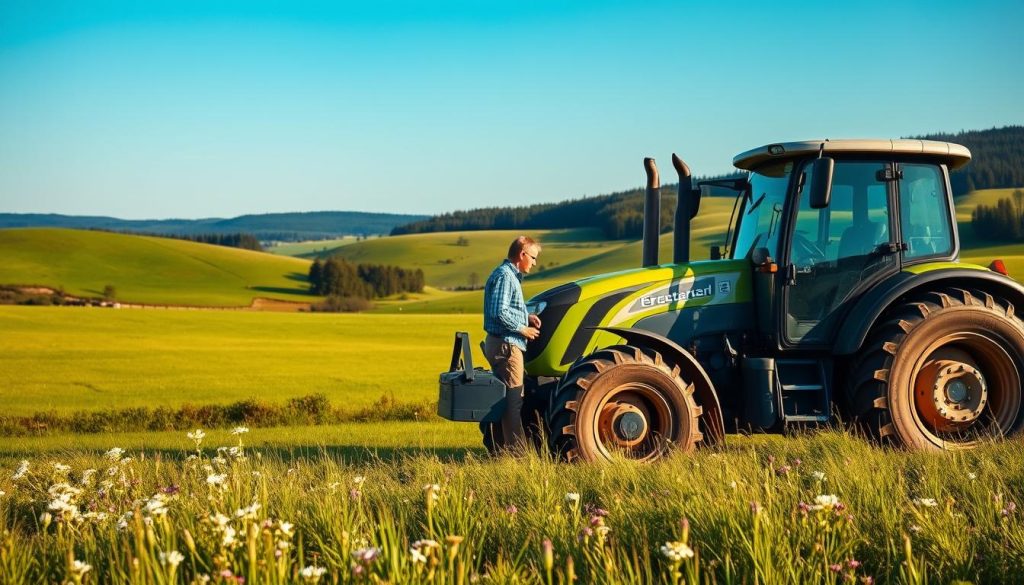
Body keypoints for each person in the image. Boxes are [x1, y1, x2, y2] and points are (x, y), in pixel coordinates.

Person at [483, 235, 542, 450]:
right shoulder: (506, 276)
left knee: (503, 400)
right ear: (522, 255)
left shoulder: (507, 275)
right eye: (533, 258)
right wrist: (522, 328)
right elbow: (499, 312)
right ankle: (517, 456)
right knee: (513, 400)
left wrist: (526, 316)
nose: (534, 263)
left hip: (501, 343)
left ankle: (499, 452)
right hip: (507, 345)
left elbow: (505, 308)